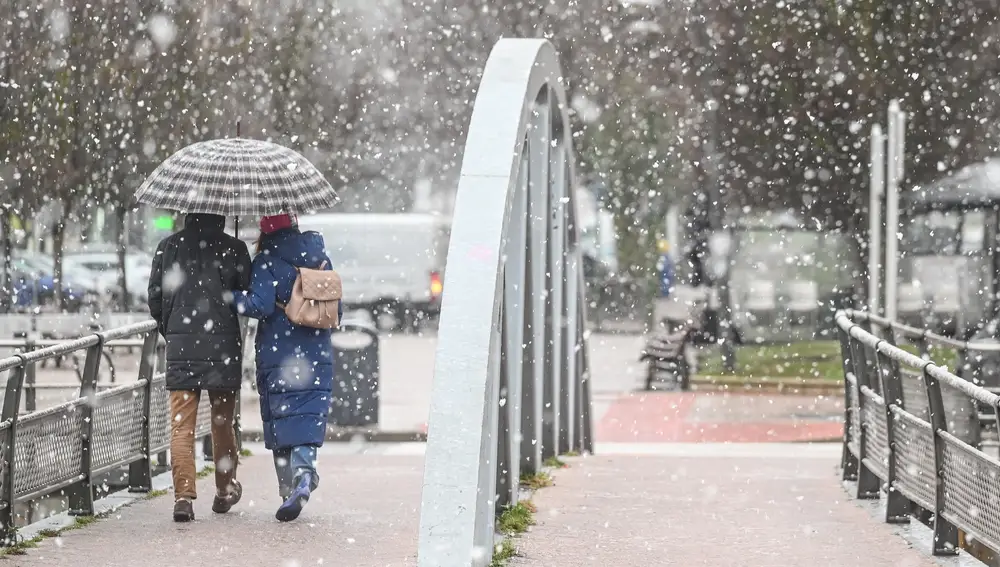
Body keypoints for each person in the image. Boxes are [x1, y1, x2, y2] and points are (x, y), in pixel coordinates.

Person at [233, 213, 339, 522]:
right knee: (307, 415)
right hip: (316, 352)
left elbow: (259, 305)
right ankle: (304, 474)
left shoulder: (265, 260)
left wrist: (232, 296)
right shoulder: (321, 258)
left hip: (278, 353)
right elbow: (337, 308)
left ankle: (287, 488)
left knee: (281, 420)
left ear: (265, 232)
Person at [147, 213, 252, 522]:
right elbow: (246, 295)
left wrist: (173, 330)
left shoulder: (168, 246)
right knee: (222, 422)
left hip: (181, 346)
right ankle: (224, 490)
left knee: (182, 425)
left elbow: (155, 297)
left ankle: (183, 497)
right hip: (223, 346)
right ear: (221, 213)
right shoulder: (235, 247)